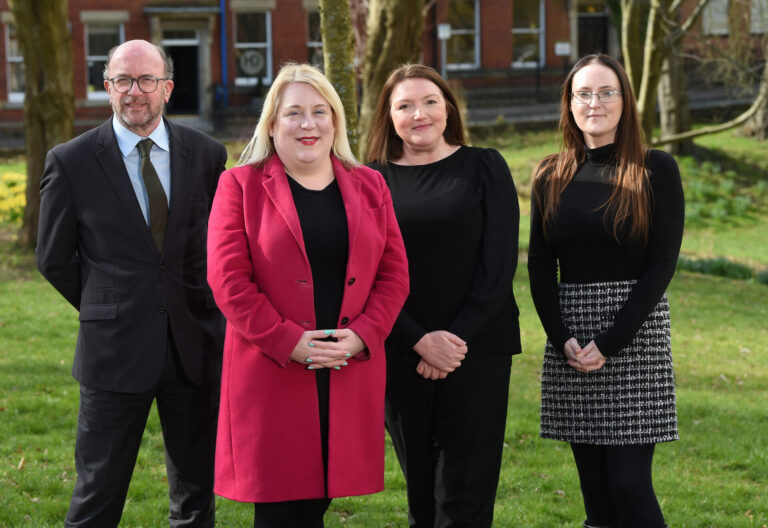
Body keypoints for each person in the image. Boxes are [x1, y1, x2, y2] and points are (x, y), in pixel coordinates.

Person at [206, 63, 409, 527]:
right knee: (278, 510)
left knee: (317, 505)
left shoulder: (370, 184)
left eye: (320, 111)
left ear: (335, 120)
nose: (308, 124)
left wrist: (363, 335)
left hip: (345, 368)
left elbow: (394, 274)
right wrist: (288, 341)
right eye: (293, 112)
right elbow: (228, 281)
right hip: (273, 370)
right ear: (272, 124)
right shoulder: (239, 185)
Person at [36, 40, 226, 527]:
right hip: (114, 354)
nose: (134, 91)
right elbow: (53, 259)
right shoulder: (71, 161)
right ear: (107, 87)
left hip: (195, 348)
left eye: (146, 80)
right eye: (123, 80)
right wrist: (108, 304)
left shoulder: (207, 154)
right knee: (97, 497)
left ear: (167, 87)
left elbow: (220, 246)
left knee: (196, 500)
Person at [528, 53, 685, 528]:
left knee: (628, 485)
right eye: (583, 93)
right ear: (569, 104)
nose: (594, 103)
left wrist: (613, 340)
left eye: (606, 92)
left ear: (625, 101)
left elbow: (662, 264)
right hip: (572, 342)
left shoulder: (655, 169)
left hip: (634, 335)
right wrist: (562, 339)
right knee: (596, 494)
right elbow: (540, 267)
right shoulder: (550, 174)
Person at [366, 64, 521, 527]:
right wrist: (418, 340)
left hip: (477, 351)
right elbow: (365, 276)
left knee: (465, 496)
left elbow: (498, 266)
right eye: (405, 105)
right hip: (400, 351)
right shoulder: (369, 181)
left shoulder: (485, 166)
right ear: (389, 116)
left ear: (448, 109)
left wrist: (452, 342)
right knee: (421, 497)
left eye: (430, 102)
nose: (420, 114)